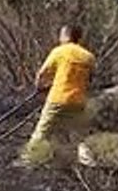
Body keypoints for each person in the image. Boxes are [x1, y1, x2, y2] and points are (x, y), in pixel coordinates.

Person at [27, 23, 96, 161]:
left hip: (58, 98)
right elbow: (89, 79)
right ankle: (88, 162)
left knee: (42, 131)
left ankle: (29, 158)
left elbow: (42, 73)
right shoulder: (89, 57)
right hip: (78, 100)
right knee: (79, 135)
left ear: (65, 36)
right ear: (79, 38)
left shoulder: (60, 51)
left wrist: (39, 87)